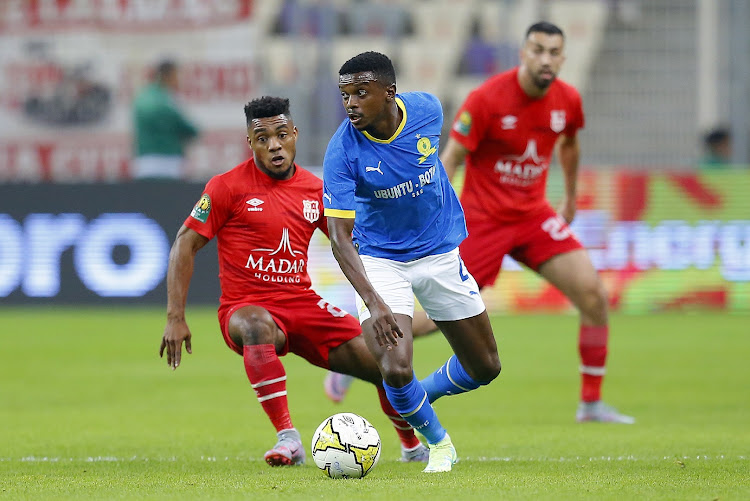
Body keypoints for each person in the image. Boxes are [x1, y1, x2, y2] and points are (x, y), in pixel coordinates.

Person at [325, 23, 635, 425]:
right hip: (484, 217)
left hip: (533, 214)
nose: (545, 59)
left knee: (593, 294)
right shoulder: (488, 98)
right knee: (438, 318)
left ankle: (591, 404)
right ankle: (366, 346)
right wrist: (431, 214)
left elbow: (570, 143)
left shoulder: (568, 100)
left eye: (554, 52)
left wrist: (572, 197)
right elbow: (447, 157)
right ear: (523, 53)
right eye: (537, 49)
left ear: (563, 58)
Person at [159, 96, 430, 468]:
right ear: (250, 142)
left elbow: (348, 244)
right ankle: (288, 437)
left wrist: (381, 293)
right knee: (256, 325)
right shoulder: (226, 188)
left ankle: (411, 446)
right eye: (263, 137)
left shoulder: (315, 190)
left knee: (386, 363)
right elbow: (184, 245)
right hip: (246, 306)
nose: (274, 144)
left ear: (295, 135)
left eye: (281, 134)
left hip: (303, 304)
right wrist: (176, 317)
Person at [322, 51, 502, 473]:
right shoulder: (341, 151)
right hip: (380, 260)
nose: (350, 103)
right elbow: (338, 238)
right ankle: (438, 444)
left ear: (390, 93)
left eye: (360, 93)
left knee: (486, 367)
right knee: (395, 365)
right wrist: (374, 300)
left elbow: (432, 169)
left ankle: (417, 397)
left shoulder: (427, 111)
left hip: (440, 252)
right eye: (344, 94)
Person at [132, 59, 199, 180]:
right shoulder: (166, 100)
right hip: (167, 161)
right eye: (176, 75)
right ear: (168, 75)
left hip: (144, 161)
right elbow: (189, 129)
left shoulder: (142, 97)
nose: (179, 80)